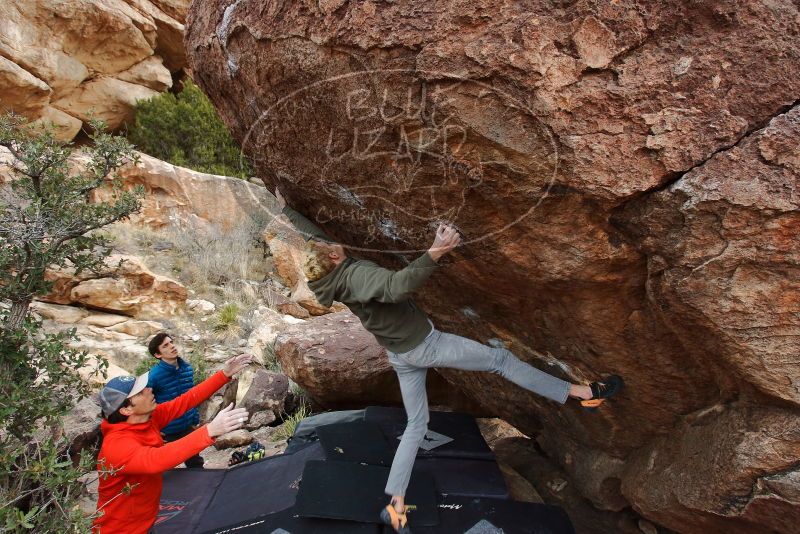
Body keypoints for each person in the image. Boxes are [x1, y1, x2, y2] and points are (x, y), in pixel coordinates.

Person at [275, 189, 623, 533]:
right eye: (332, 249)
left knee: (416, 424)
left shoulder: (326, 274)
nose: (333, 244)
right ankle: (579, 392)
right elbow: (397, 287)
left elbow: (314, 239)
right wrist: (436, 250)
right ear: (335, 260)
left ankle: (394, 502)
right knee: (500, 359)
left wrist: (287, 209)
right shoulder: (356, 276)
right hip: (426, 345)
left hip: (400, 354)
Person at [93, 354, 253, 534]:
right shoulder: (116, 446)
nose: (149, 390)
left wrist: (224, 374)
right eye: (140, 392)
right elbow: (156, 460)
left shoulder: (146, 419)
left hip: (146, 522)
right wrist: (209, 431)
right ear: (126, 409)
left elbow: (185, 401)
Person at [146, 332, 204, 468]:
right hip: (167, 431)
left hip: (188, 426)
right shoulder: (153, 376)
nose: (172, 346)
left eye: (171, 342)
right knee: (166, 469)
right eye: (165, 345)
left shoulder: (187, 369)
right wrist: (153, 429)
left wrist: (195, 419)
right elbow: (145, 402)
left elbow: (192, 396)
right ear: (158, 355)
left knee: (195, 463)